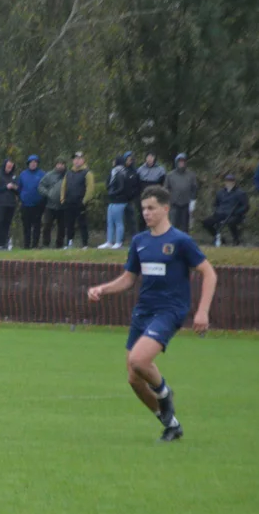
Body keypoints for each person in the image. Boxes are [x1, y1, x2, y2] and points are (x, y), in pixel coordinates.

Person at [88, 185, 217, 442]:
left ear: (165, 209)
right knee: (134, 379)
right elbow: (128, 279)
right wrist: (103, 289)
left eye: (151, 208)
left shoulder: (180, 241)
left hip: (169, 311)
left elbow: (209, 273)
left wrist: (202, 312)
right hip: (143, 311)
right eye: (144, 208)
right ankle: (171, 424)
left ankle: (164, 392)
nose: (146, 213)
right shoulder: (140, 241)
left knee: (139, 360)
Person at [201, 173, 248, 246]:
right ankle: (219, 238)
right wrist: (216, 210)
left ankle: (236, 240)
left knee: (231, 222)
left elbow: (245, 206)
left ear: (234, 182)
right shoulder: (220, 193)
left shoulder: (240, 193)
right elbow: (215, 204)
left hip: (234, 215)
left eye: (231, 181)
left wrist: (237, 212)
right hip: (220, 214)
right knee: (206, 222)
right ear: (225, 182)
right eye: (227, 181)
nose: (229, 183)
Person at [60, 152, 93, 248]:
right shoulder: (69, 173)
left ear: (83, 160)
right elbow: (63, 186)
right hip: (69, 202)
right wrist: (62, 199)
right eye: (75, 159)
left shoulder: (87, 172)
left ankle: (85, 244)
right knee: (69, 224)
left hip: (80, 203)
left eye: (79, 158)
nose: (77, 161)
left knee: (82, 224)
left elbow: (90, 188)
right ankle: (69, 243)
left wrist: (84, 201)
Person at [165, 153, 198, 233]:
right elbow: (166, 189)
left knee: (185, 227)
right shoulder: (170, 175)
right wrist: (167, 201)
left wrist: (193, 201)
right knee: (173, 225)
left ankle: (184, 243)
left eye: (183, 161)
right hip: (174, 204)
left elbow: (194, 188)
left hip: (186, 204)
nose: (181, 163)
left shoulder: (191, 175)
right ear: (176, 162)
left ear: (185, 163)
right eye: (179, 161)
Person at [0, 158, 19, 251]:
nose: (9, 168)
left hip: (11, 204)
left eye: (11, 166)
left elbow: (17, 190)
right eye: (8, 166)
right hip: (0, 203)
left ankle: (3, 245)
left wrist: (14, 187)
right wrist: (6, 187)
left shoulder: (14, 176)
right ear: (5, 165)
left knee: (7, 224)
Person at [18, 155, 46, 249]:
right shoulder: (23, 174)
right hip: (25, 205)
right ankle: (26, 246)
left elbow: (46, 188)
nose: (33, 164)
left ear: (37, 163)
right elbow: (19, 188)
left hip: (38, 205)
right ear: (28, 163)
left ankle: (35, 245)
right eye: (31, 162)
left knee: (37, 226)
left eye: (35, 162)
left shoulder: (42, 174)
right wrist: (22, 198)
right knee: (26, 227)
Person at [100, 156, 127, 249]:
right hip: (112, 200)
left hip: (119, 200)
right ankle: (109, 241)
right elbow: (108, 183)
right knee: (110, 221)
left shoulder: (121, 172)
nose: (113, 162)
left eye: (114, 160)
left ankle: (118, 242)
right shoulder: (113, 172)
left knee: (118, 222)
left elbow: (121, 187)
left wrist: (113, 193)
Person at [38, 158, 66, 248]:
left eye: (62, 164)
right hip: (50, 205)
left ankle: (59, 245)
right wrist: (48, 193)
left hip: (63, 206)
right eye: (58, 164)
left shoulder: (68, 175)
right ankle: (46, 244)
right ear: (55, 165)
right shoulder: (49, 175)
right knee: (47, 226)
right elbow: (41, 186)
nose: (60, 166)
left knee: (62, 227)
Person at [121, 152, 141, 240]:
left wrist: (133, 195)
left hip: (130, 200)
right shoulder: (121, 170)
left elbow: (137, 185)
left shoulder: (135, 171)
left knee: (132, 220)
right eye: (128, 159)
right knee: (120, 220)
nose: (130, 161)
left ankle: (134, 238)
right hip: (120, 199)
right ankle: (120, 239)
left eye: (131, 159)